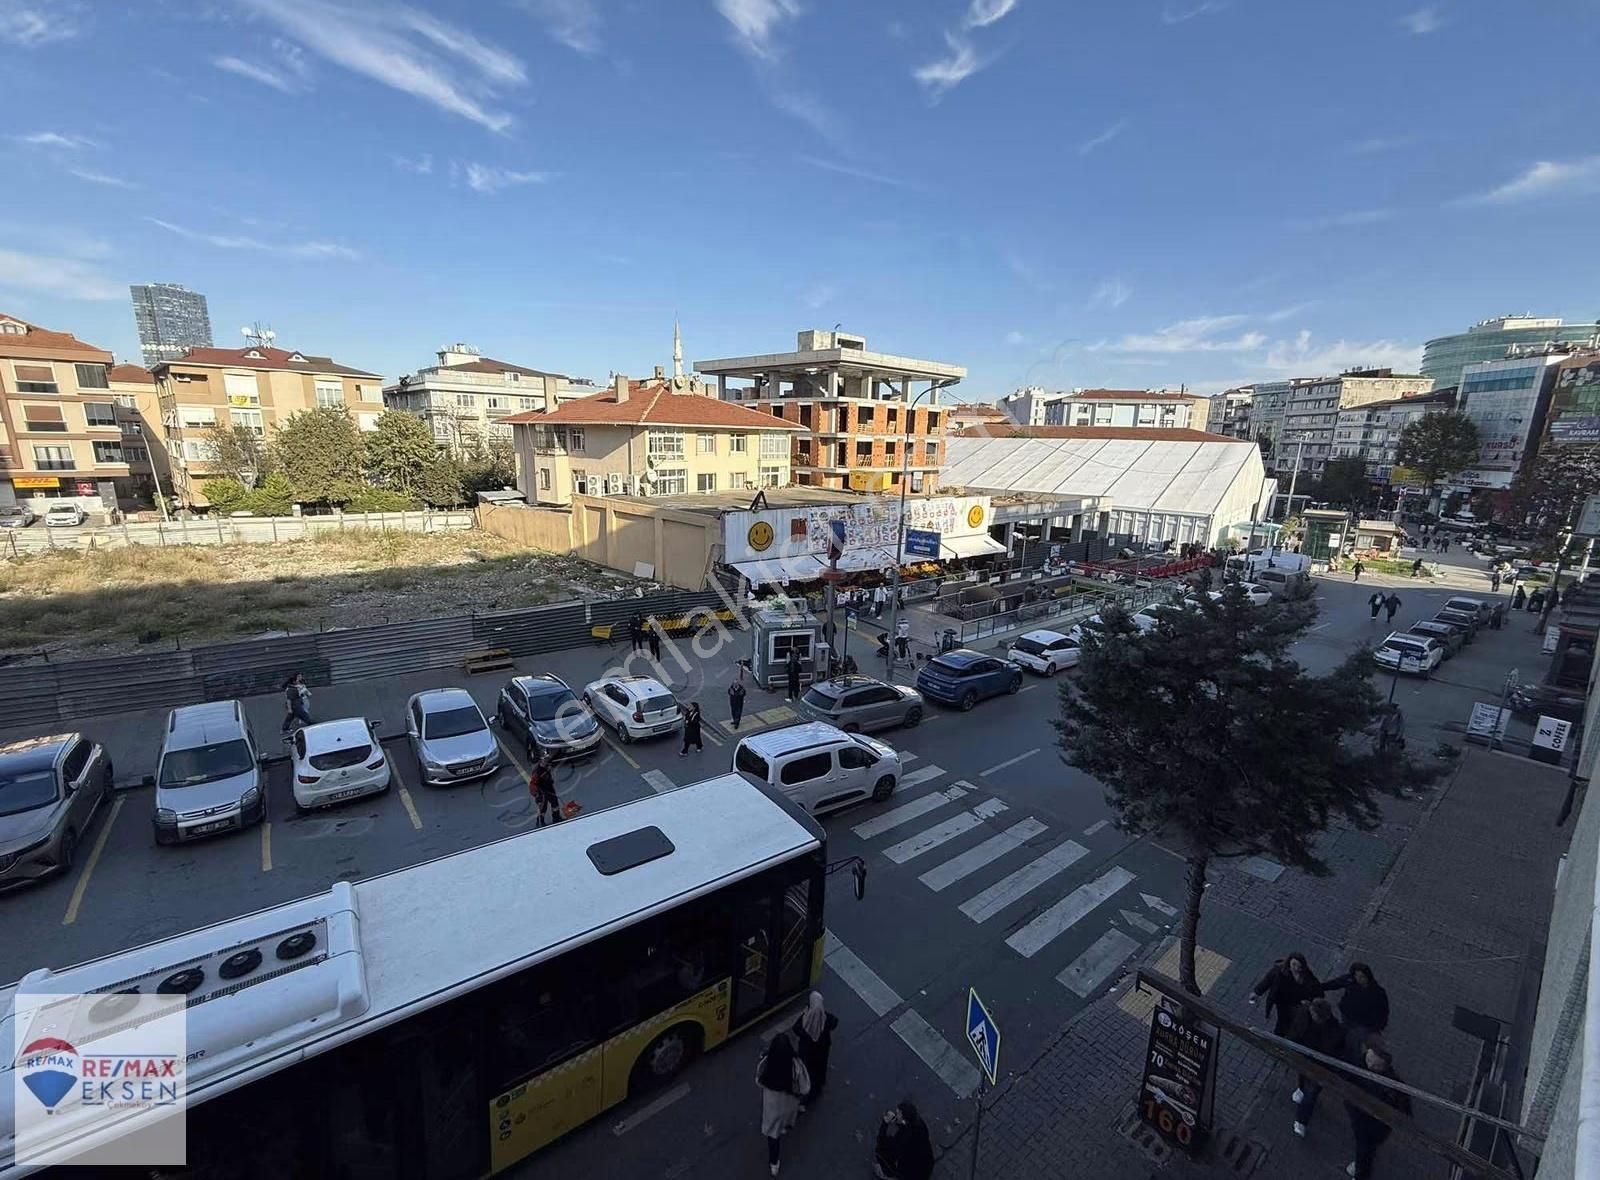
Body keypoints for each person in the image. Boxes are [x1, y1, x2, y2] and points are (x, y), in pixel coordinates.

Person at [1345, 1039, 1411, 1180]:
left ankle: (1361, 1175)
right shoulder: (1360, 1062)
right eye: (1369, 1059)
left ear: (1385, 1066)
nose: (1369, 1064)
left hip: (1373, 1125)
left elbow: (1405, 1110)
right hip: (1359, 1114)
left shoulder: (1393, 1087)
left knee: (1365, 1151)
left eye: (1375, 1064)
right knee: (1364, 1148)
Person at [1288, 998, 1346, 1137]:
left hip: (1320, 1067)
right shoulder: (1304, 1013)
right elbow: (1295, 1030)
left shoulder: (1335, 1032)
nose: (1311, 1014)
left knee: (1311, 1093)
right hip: (1303, 1058)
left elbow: (1336, 1054)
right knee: (1302, 1078)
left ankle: (1301, 1120)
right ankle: (1301, 1088)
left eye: (1313, 1014)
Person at [757, 1033, 810, 1176]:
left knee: (773, 1135)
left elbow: (758, 1080)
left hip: (772, 1107)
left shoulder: (766, 1064)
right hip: (789, 1103)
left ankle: (774, 1164)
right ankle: (786, 1127)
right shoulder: (795, 1065)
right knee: (786, 1121)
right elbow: (805, 1088)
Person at [1250, 952, 1322, 1037]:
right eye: (1293, 964)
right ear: (1289, 963)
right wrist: (1256, 992)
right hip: (1282, 1000)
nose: (1295, 968)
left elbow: (1316, 989)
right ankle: (1278, 1035)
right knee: (1282, 1019)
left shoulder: (1307, 976)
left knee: (1294, 1018)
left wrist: (1310, 1001)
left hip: (1296, 1002)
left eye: (1299, 966)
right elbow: (1267, 981)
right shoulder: (1279, 971)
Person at [1324, 962, 1390, 1051]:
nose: (1359, 979)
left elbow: (1383, 1011)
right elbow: (1335, 983)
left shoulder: (1377, 992)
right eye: (1356, 976)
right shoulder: (1350, 981)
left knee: (1354, 1042)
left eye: (1362, 976)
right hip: (1347, 1017)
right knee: (1344, 1035)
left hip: (1362, 1023)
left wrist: (1378, 1026)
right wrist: (1319, 987)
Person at [791, 991, 839, 1104]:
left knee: (807, 1072)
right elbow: (835, 1022)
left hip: (807, 1054)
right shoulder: (825, 1018)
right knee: (819, 1071)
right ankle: (817, 1089)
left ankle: (806, 1092)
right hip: (821, 1053)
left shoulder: (805, 1019)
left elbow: (795, 1029)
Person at [873, 1101, 934, 1180]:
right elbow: (907, 1127)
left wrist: (885, 1123)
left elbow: (881, 1142)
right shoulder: (920, 1124)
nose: (896, 1114)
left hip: (912, 1175)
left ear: (904, 1120)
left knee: (880, 1152)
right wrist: (898, 1121)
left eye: (898, 1113)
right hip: (927, 1165)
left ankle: (890, 1175)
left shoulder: (903, 1139)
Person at [529, 751, 562, 826]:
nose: (546, 761)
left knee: (555, 803)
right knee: (543, 807)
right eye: (545, 760)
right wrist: (536, 794)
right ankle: (541, 822)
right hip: (541, 792)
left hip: (549, 788)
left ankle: (556, 819)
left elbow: (555, 757)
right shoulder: (537, 772)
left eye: (547, 759)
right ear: (541, 761)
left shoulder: (547, 765)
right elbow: (532, 784)